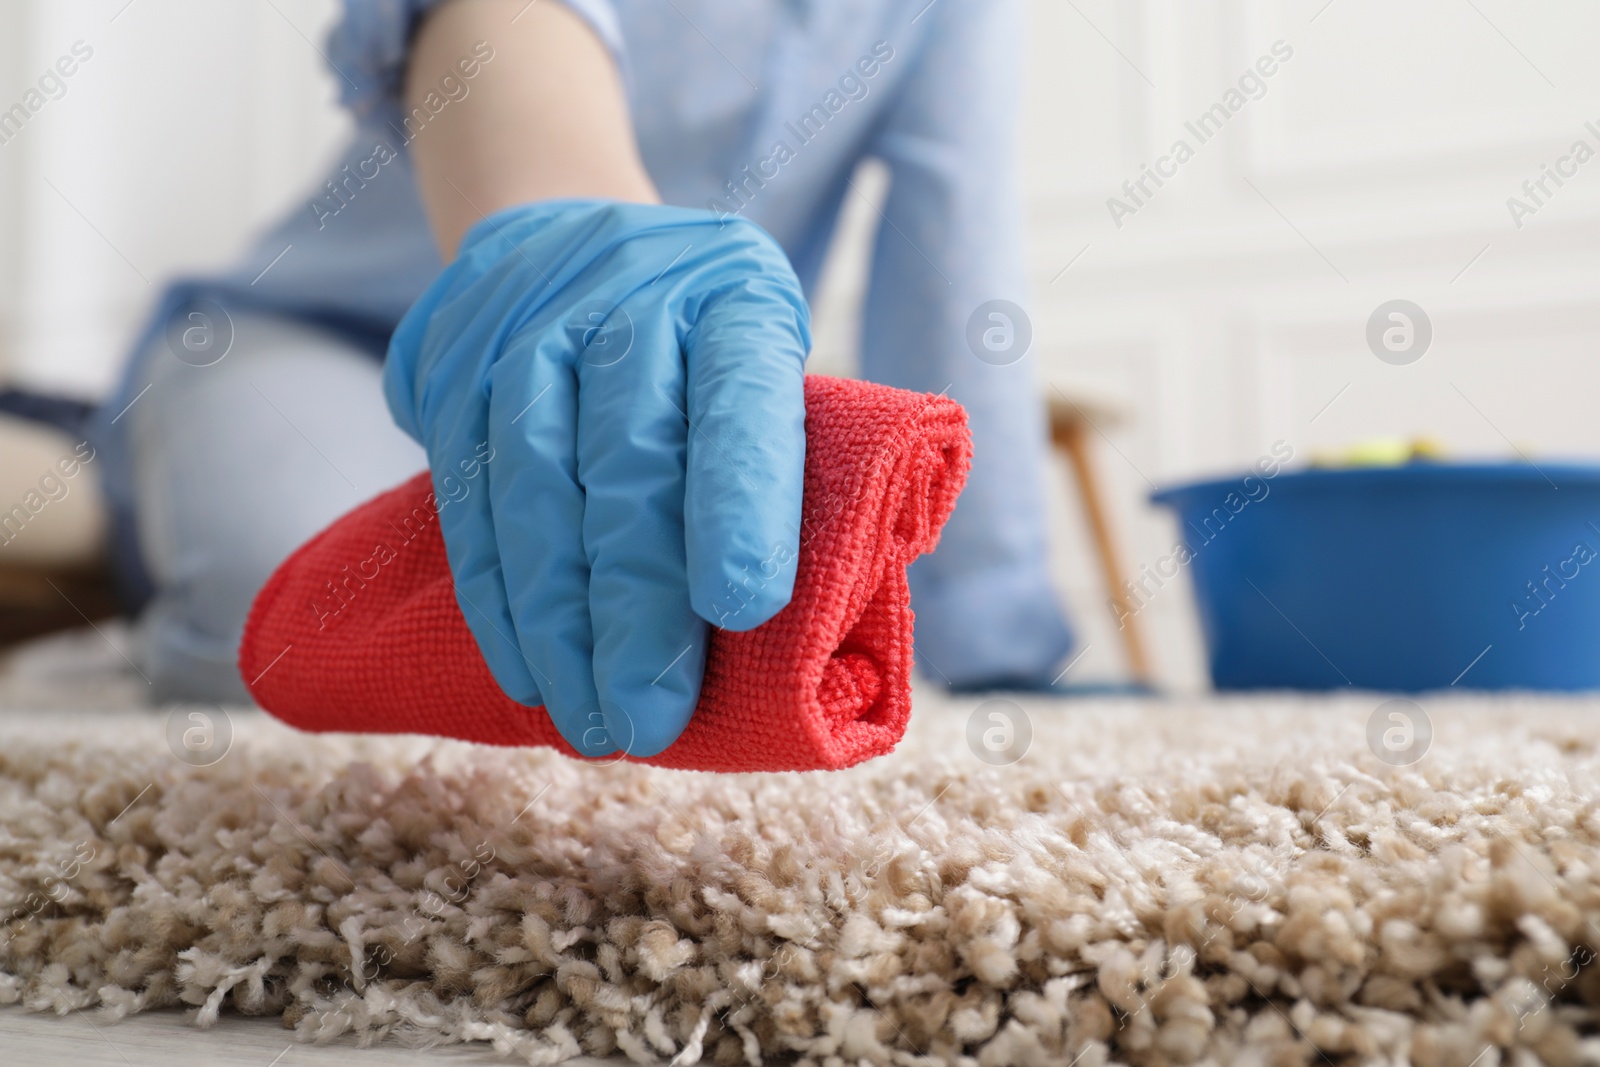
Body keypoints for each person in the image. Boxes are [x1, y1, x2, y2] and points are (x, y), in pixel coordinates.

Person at [90, 0, 1074, 755]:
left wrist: (994, 642)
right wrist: (561, 220)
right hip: (322, 337)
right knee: (271, 625)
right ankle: (128, 543)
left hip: (647, 390)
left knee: (611, 599)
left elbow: (955, 245)